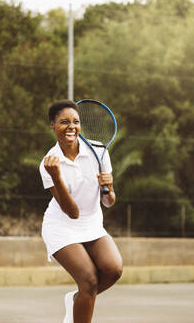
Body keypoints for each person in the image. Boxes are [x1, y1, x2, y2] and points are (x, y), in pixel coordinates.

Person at [39, 99, 123, 323]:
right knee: (89, 281)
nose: (71, 127)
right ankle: (81, 299)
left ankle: (76, 299)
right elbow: (72, 212)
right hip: (62, 226)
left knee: (114, 269)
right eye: (64, 122)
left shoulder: (99, 151)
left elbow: (108, 202)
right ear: (52, 125)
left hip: (92, 224)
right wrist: (56, 176)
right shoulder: (48, 163)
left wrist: (110, 189)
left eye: (75, 121)